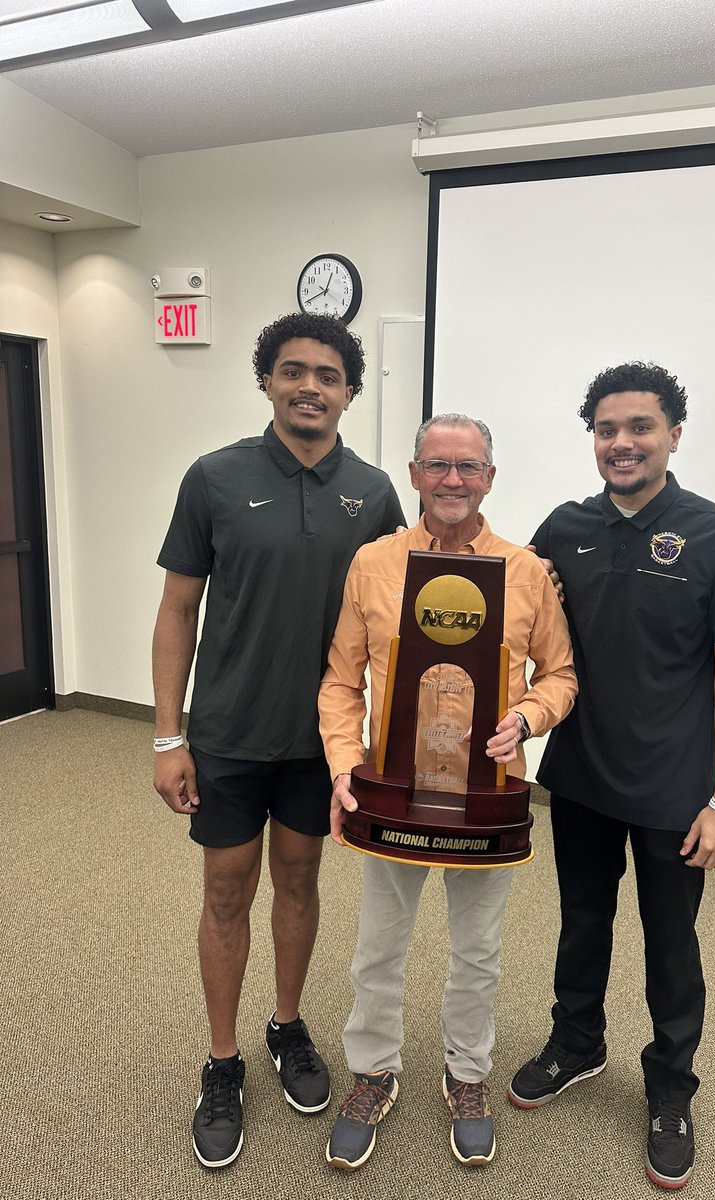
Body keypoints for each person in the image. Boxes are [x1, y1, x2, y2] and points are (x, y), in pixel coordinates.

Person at [508, 362, 715, 1190]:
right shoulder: (561, 528)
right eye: (606, 429)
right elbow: (526, 638)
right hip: (581, 774)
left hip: (673, 789)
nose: (621, 443)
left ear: (673, 435)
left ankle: (670, 1084)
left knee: (671, 943)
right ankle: (577, 1043)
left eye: (639, 428)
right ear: (592, 438)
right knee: (582, 922)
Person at [151, 311, 406, 1170]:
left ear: (349, 392)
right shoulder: (214, 478)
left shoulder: (372, 493)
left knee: (299, 881)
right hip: (225, 734)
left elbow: (407, 613)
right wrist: (165, 736)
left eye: (328, 375)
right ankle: (222, 1062)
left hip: (321, 744)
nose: (310, 386)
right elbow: (178, 608)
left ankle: (286, 1027)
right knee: (227, 890)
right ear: (266, 381)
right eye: (293, 371)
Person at [318, 413, 577, 1171]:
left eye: (467, 467)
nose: (452, 480)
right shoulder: (373, 563)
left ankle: (467, 1076)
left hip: (488, 796)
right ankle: (372, 1072)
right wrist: (344, 761)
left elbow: (560, 674)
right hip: (391, 794)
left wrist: (527, 718)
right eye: (437, 465)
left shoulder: (526, 571)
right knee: (378, 947)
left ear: (491, 478)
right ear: (414, 474)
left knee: (480, 953)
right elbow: (340, 679)